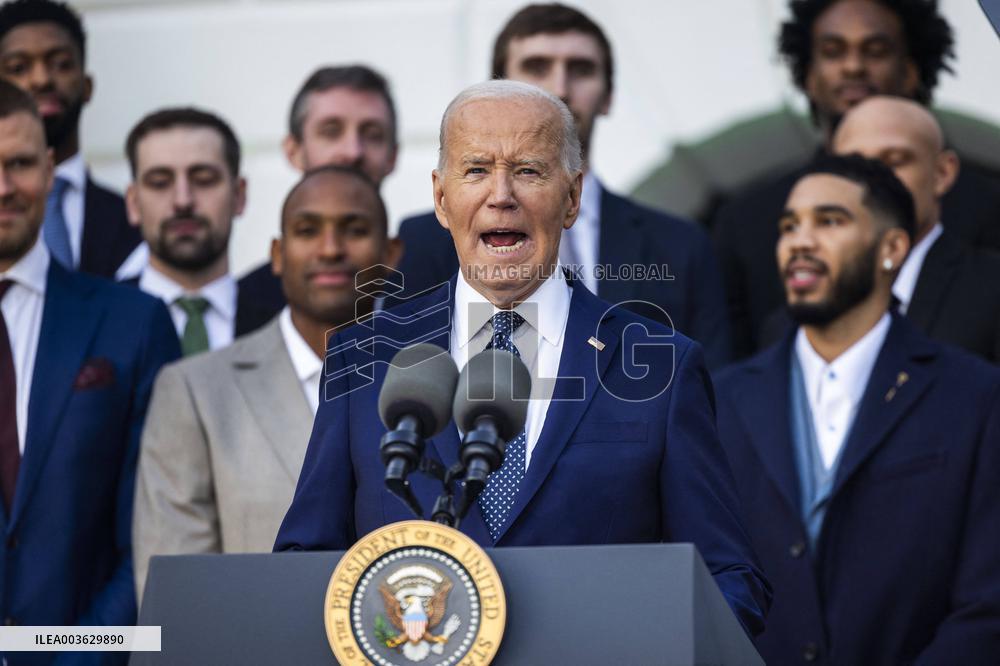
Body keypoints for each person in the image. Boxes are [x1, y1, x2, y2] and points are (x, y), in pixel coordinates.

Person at [275, 81, 771, 637]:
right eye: (476, 170)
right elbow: (304, 559)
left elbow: (729, 579)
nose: (501, 194)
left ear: (572, 197)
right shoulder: (364, 355)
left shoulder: (658, 365)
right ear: (441, 199)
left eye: (529, 170)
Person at [714, 153, 1000, 664]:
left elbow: (989, 603)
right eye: (788, 226)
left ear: (892, 248)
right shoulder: (721, 401)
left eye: (829, 221)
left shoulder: (977, 396)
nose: (800, 241)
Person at [395, 3, 732, 367]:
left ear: (608, 95)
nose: (560, 87)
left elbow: (711, 389)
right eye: (536, 67)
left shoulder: (681, 246)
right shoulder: (424, 241)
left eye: (581, 69)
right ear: (497, 88)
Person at [133, 165, 401, 601]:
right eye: (307, 230)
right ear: (277, 254)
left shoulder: (440, 379)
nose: (330, 249)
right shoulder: (195, 390)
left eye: (354, 229)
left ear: (391, 253)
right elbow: (177, 595)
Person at [0, 80, 179, 661]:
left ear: (51, 168)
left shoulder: (133, 322)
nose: (4, 188)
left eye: (20, 163)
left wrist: (79, 655)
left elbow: (155, 531)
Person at [713, 0, 1000, 358]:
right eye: (833, 52)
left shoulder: (986, 205)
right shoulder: (747, 222)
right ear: (808, 75)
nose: (853, 66)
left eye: (876, 51)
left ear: (911, 69)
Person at [238, 65, 399, 319]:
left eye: (372, 134)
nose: (353, 151)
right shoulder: (244, 304)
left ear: (392, 156)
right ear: (294, 151)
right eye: (331, 132)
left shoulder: (433, 292)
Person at [0, 0, 140, 278]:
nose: (41, 80)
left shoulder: (134, 219)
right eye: (18, 68)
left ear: (87, 86)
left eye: (61, 64)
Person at [123, 107, 272, 356]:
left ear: (239, 195)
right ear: (133, 203)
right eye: (160, 183)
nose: (183, 200)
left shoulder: (286, 321)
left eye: (204, 179)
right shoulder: (93, 324)